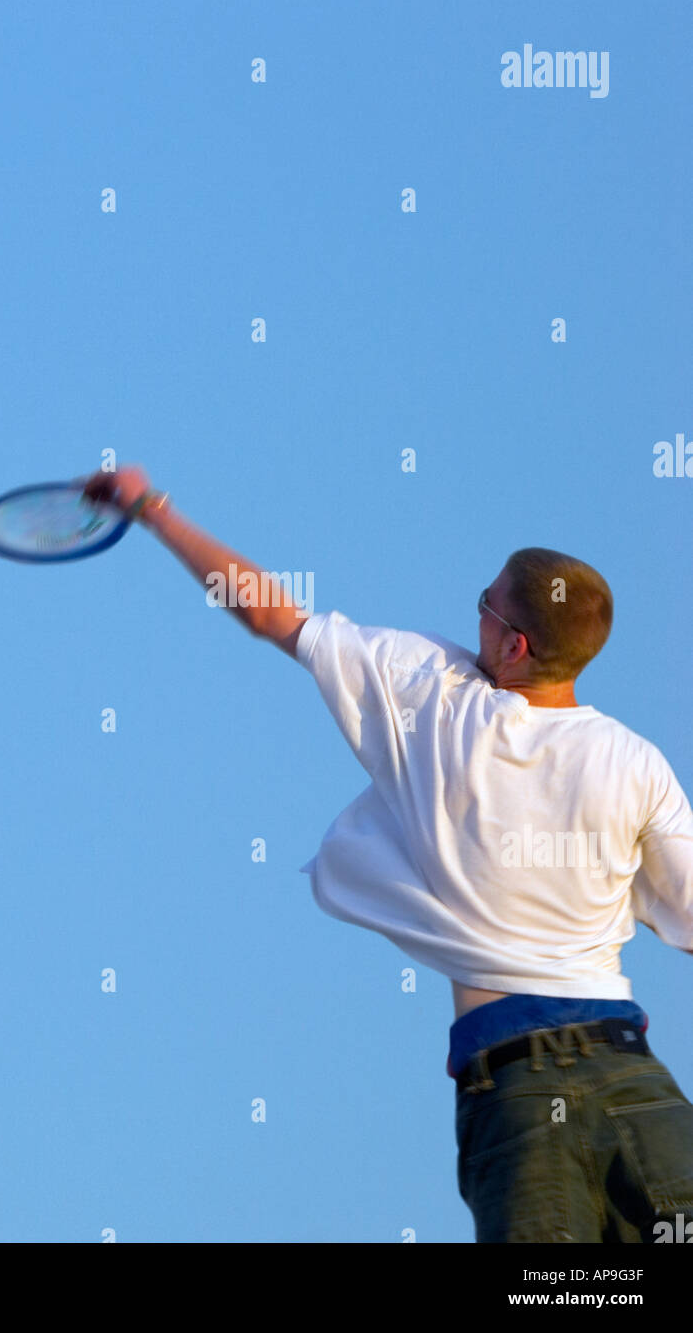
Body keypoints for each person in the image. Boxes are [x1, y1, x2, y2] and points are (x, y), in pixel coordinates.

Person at [82, 464, 693, 1244]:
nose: (471, 620)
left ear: (513, 643)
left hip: (520, 1090)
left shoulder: (433, 692)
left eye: (484, 607)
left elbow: (270, 614)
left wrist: (152, 510)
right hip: (637, 1079)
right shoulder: (637, 761)